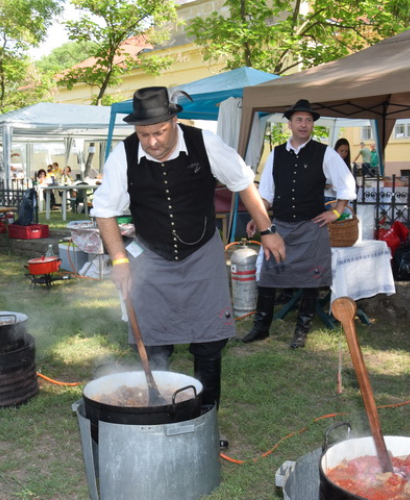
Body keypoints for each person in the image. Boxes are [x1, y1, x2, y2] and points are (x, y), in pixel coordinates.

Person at [91, 87, 285, 438]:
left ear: (173, 120)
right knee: (153, 342)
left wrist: (268, 229)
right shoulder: (124, 154)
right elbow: (104, 211)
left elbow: (243, 181)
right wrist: (119, 260)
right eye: (143, 134)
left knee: (210, 343)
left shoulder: (204, 143)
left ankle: (204, 423)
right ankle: (158, 417)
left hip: (202, 255)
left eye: (159, 132)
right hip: (151, 257)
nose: (150, 141)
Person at [240, 99, 356, 349]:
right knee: (269, 275)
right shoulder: (276, 154)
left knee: (310, 279)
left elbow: (346, 183)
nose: (304, 124)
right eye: (299, 120)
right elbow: (267, 194)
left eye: (308, 120)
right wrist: (257, 217)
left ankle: (302, 330)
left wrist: (336, 213)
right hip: (280, 225)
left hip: (311, 226)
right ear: (290, 124)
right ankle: (261, 328)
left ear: (313, 124)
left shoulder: (325, 152)